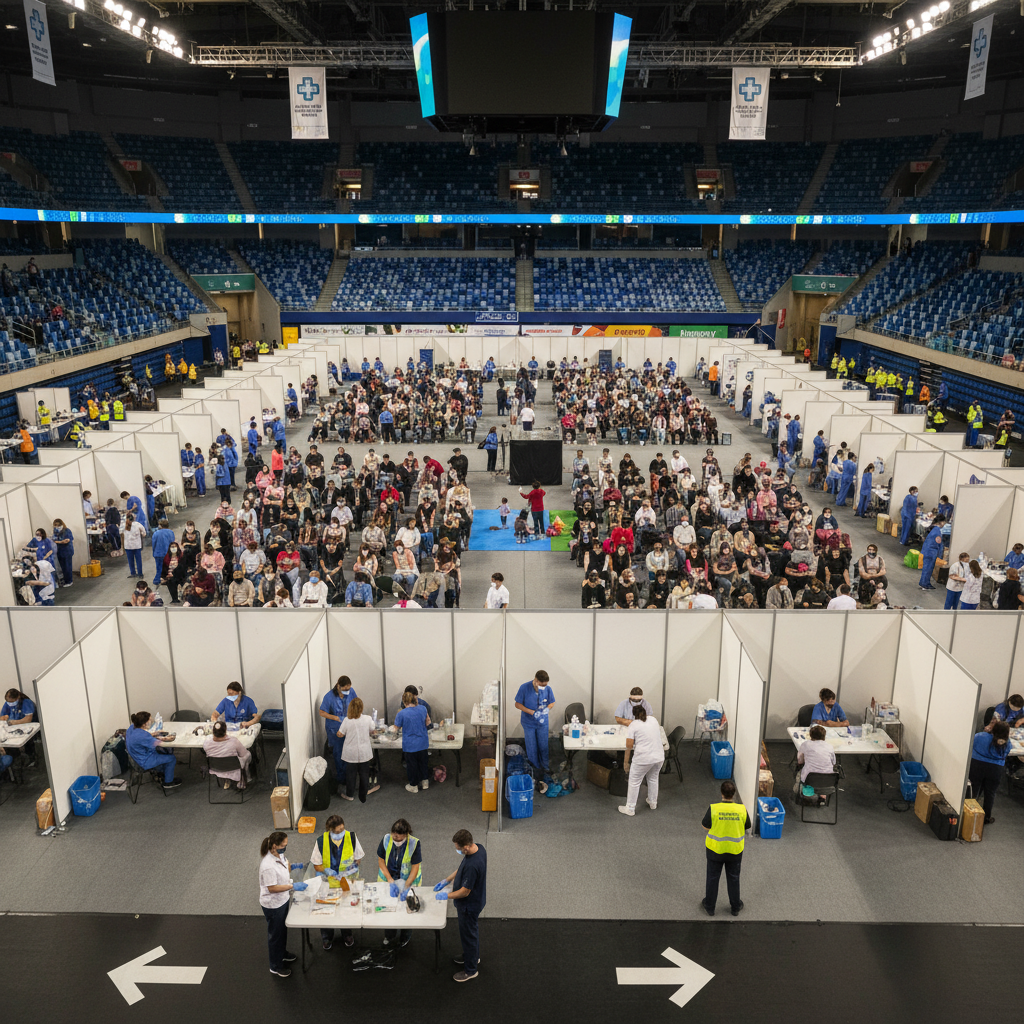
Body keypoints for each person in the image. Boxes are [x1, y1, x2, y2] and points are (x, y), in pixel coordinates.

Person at [434, 828, 487, 983]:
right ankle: (472, 957)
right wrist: (447, 880)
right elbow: (461, 868)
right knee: (471, 933)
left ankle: (471, 970)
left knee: (468, 936)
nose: (457, 851)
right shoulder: (479, 848)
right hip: (476, 900)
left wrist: (446, 896)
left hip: (469, 907)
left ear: (466, 847)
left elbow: (464, 892)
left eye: (458, 848)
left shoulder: (473, 866)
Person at [311, 814, 363, 950]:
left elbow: (358, 858)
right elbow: (316, 865)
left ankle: (347, 934)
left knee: (346, 909)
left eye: (342, 830)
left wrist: (353, 867)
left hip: (346, 882)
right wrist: (326, 870)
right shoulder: (321, 841)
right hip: (328, 884)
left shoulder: (351, 837)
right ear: (330, 830)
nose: (340, 833)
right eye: (337, 831)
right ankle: (327, 937)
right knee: (326, 911)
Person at [258, 831, 304, 978]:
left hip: (282, 900)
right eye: (283, 845)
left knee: (282, 930)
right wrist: (293, 886)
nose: (285, 847)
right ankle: (275, 966)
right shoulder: (268, 865)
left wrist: (293, 866)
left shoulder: (279, 855)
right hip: (273, 905)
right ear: (274, 846)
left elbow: (285, 866)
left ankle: (282, 954)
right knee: (276, 935)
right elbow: (272, 888)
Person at [701, 779, 750, 917]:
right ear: (734, 794)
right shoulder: (741, 809)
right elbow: (747, 826)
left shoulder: (714, 808)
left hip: (715, 850)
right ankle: (735, 907)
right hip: (735, 850)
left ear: (721, 793)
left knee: (712, 878)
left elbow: (705, 826)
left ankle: (710, 907)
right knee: (734, 878)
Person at [377, 818, 422, 949]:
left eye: (400, 839)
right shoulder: (386, 839)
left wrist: (407, 886)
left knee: (407, 909)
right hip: (390, 878)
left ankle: (405, 936)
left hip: (408, 880)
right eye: (394, 837)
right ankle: (389, 935)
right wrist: (390, 880)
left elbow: (415, 867)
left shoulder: (414, 843)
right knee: (389, 908)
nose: (396, 841)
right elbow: (381, 861)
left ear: (406, 835)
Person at [618, 704, 665, 816]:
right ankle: (653, 802)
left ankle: (630, 808)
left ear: (634, 715)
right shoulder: (653, 720)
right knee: (653, 778)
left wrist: (625, 763)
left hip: (643, 758)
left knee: (634, 781)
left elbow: (629, 746)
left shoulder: (633, 725)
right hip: (659, 756)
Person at [514, 670, 556, 777]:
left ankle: (545, 767)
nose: (544, 687)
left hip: (542, 722)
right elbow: (517, 704)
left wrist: (547, 709)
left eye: (545, 685)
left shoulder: (548, 689)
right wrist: (532, 712)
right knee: (531, 747)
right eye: (542, 685)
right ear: (536, 681)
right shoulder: (524, 688)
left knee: (543, 745)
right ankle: (534, 769)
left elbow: (552, 702)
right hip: (529, 722)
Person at [125, 711, 181, 790]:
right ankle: (168, 782)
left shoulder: (132, 728)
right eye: (150, 720)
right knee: (171, 758)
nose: (152, 722)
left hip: (136, 757)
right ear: (144, 724)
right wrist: (168, 738)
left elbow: (141, 738)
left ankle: (162, 772)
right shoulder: (142, 735)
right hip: (145, 760)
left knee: (163, 752)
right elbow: (158, 743)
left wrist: (154, 734)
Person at [968, 721, 1010, 824]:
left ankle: (968, 813)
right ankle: (987, 817)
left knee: (973, 789)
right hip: (995, 769)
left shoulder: (980, 736)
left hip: (977, 765)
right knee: (990, 793)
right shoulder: (1007, 743)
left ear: (993, 728)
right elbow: (1006, 754)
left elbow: (971, 744)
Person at [338, 697, 378, 802]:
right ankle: (363, 793)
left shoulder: (347, 720)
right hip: (364, 752)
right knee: (364, 774)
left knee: (350, 775)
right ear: (361, 708)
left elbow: (340, 734)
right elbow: (373, 730)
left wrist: (338, 733)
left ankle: (350, 795)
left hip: (351, 753)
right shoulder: (368, 719)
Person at [319, 676, 356, 789]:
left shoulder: (351, 691)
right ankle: (341, 778)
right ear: (338, 686)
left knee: (349, 751)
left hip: (349, 727)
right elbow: (321, 712)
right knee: (339, 753)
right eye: (345, 689)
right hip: (335, 729)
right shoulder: (329, 697)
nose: (347, 691)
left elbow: (356, 704)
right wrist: (335, 718)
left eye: (348, 689)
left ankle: (349, 775)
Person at [395, 689, 432, 793]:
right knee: (423, 763)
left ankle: (413, 785)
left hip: (410, 744)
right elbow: (428, 722)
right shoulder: (423, 708)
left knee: (412, 766)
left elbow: (396, 728)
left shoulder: (401, 713)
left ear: (404, 702)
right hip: (423, 742)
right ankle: (425, 782)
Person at [203, 719, 252, 789]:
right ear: (225, 731)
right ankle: (244, 779)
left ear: (213, 732)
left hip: (216, 768)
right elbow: (243, 754)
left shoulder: (206, 743)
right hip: (234, 768)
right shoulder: (233, 741)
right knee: (248, 754)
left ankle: (227, 780)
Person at [794, 724, 836, 798]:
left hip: (810, 779)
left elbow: (800, 761)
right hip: (828, 780)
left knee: (799, 774)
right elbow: (834, 762)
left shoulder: (805, 744)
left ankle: (803, 792)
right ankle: (822, 796)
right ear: (824, 736)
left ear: (811, 735)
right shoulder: (830, 746)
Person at [1, 688, 37, 763]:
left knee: (27, 742)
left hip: (26, 727)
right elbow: (2, 716)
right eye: (8, 702)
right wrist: (5, 718)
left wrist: (14, 722)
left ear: (18, 697)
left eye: (12, 702)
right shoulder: (7, 704)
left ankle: (32, 759)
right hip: (12, 728)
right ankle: (16, 760)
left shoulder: (26, 703)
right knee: (8, 743)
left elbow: (28, 719)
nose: (10, 704)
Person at [918, 515, 946, 591]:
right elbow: (938, 544)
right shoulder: (937, 531)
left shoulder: (932, 528)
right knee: (928, 569)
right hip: (931, 553)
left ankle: (924, 582)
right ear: (941, 522)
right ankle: (925, 584)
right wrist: (939, 555)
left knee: (926, 568)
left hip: (927, 551)